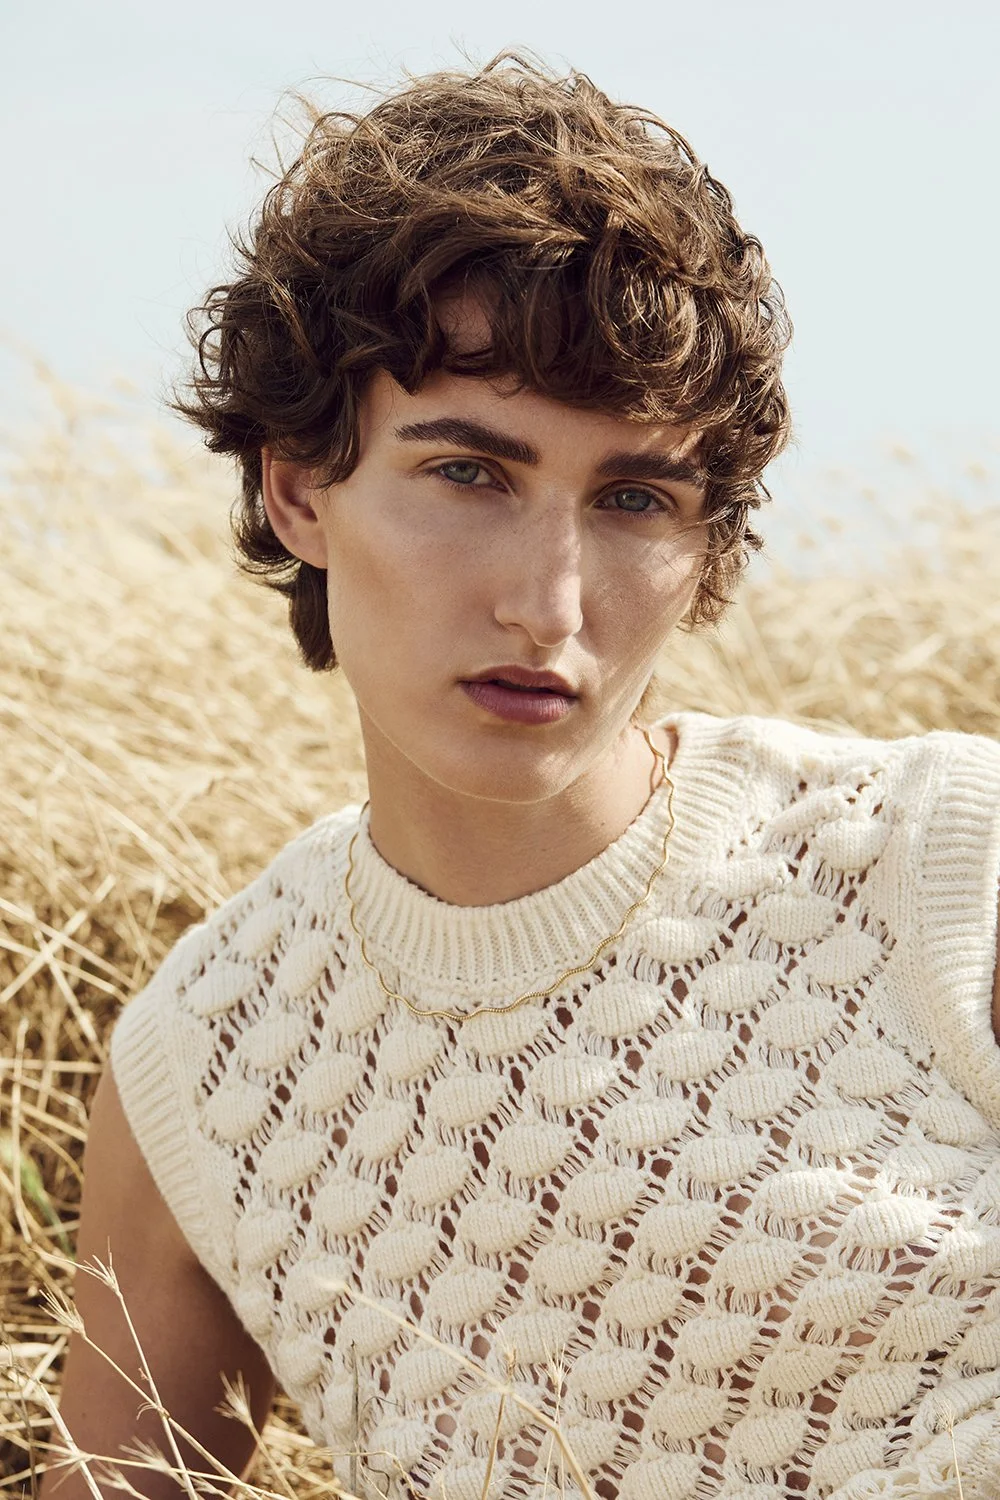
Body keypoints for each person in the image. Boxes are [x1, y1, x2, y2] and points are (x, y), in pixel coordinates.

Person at [45, 53, 1000, 1500]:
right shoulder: (203, 1067)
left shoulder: (943, 864)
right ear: (299, 488)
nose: (550, 606)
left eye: (635, 499)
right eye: (469, 474)